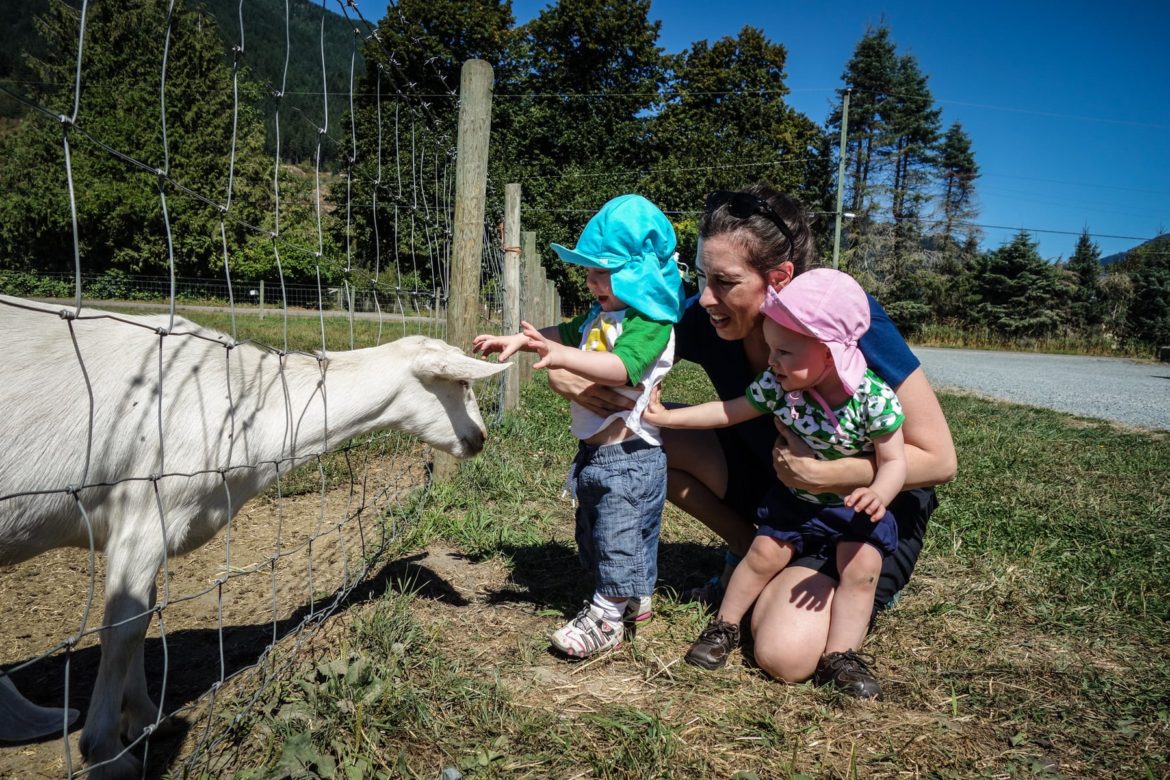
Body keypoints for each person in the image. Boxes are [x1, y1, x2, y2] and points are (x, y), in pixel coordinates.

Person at [546, 184, 956, 696]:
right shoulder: (708, 313)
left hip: (867, 508)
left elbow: (939, 459)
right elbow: (581, 335)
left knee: (783, 654)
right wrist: (563, 371)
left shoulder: (845, 321)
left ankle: (846, 585)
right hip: (782, 490)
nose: (706, 299)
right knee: (644, 437)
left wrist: (836, 473)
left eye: (726, 282)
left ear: (779, 279)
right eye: (701, 278)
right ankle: (746, 552)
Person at [643, 269, 907, 698]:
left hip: (852, 507)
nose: (771, 360)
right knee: (763, 552)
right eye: (771, 348)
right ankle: (724, 626)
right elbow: (730, 411)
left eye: (783, 351)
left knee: (862, 568)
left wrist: (879, 492)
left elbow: (895, 459)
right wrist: (668, 418)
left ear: (828, 352)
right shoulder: (781, 385)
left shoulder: (873, 398)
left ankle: (842, 654)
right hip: (796, 502)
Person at [473, 194, 685, 659]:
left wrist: (566, 358)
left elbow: (623, 366)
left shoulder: (651, 322)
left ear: (638, 273)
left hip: (631, 458)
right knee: (602, 533)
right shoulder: (603, 315)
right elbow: (564, 335)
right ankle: (635, 600)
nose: (591, 282)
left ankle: (606, 617)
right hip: (598, 453)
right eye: (589, 272)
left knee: (618, 535)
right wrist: (523, 340)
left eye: (602, 273)